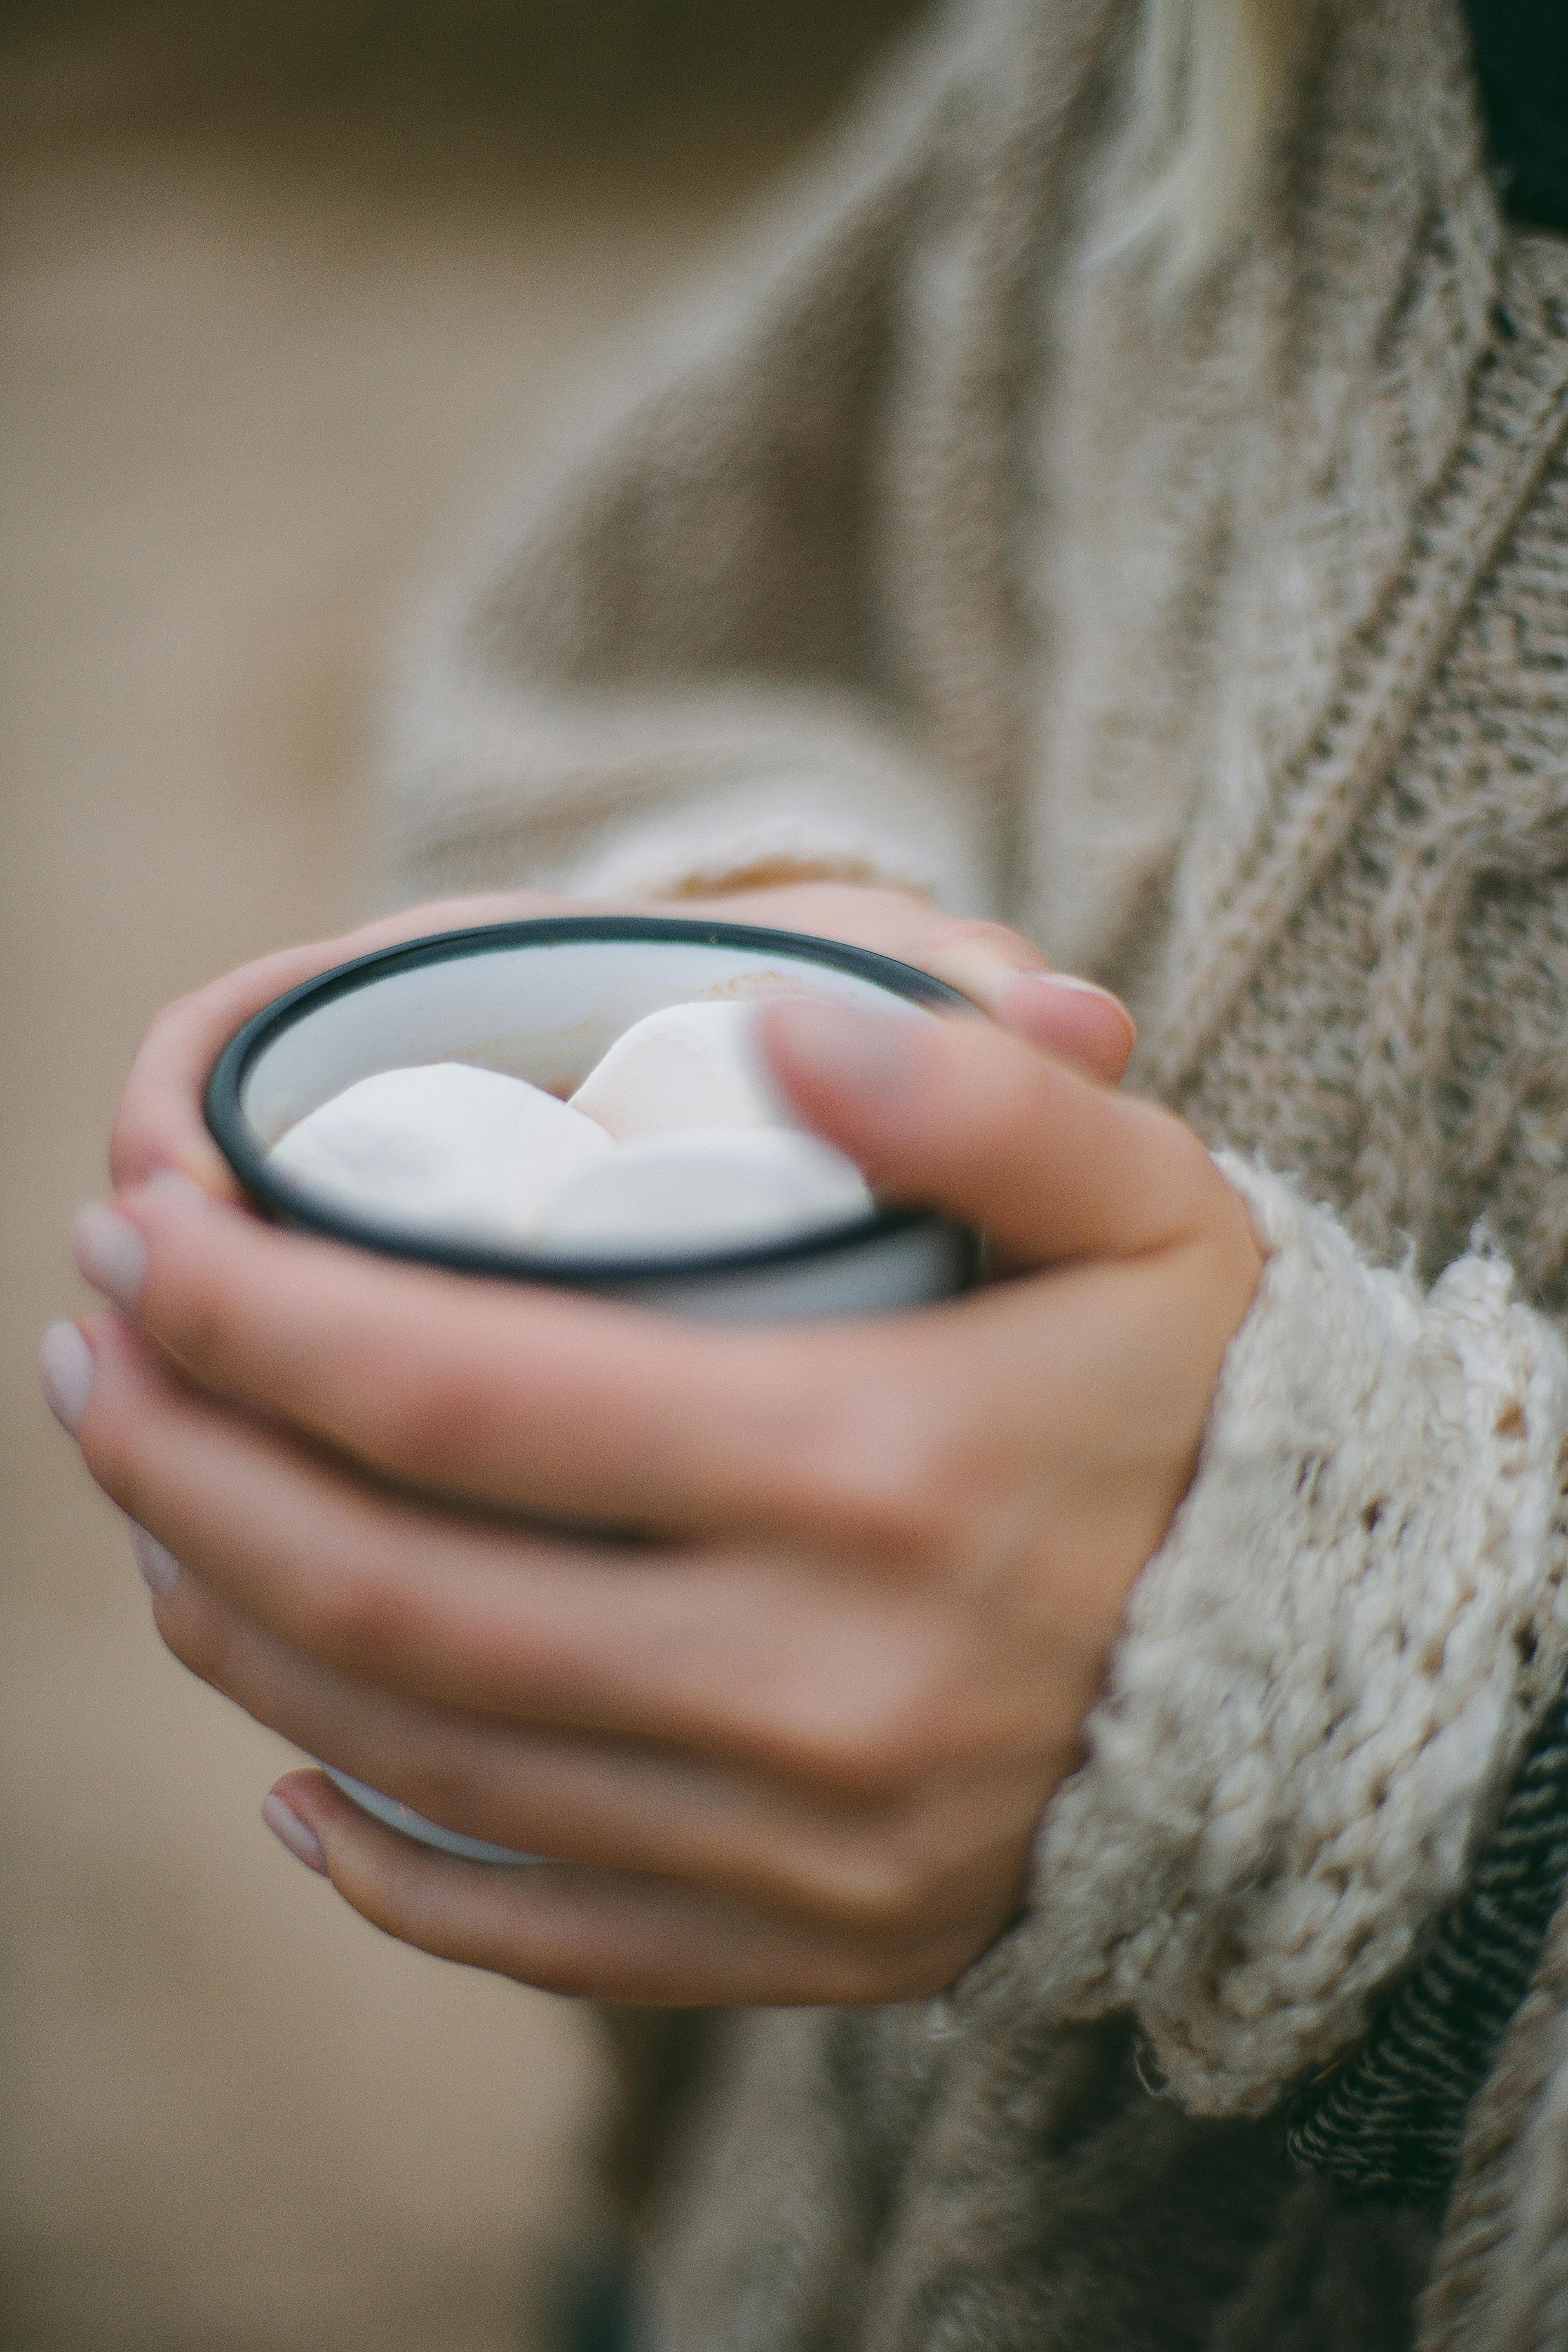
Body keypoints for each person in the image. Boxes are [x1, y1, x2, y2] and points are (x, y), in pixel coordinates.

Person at [38, 0, 1568, 2341]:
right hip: (770, 2215)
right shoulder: (1223, 54)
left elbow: (1358, 1718)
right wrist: (786, 930)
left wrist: (1377, 1721)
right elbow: (683, 612)